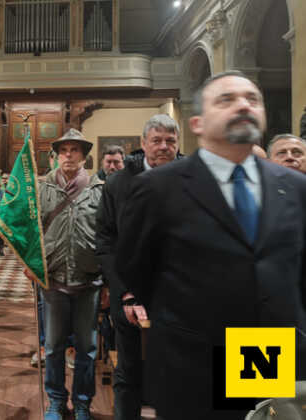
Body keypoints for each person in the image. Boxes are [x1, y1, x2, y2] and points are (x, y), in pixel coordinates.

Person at [116, 71, 306, 420]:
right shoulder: (158, 187)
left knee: (258, 417)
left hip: (263, 349)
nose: (243, 105)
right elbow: (135, 268)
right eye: (226, 100)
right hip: (192, 355)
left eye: (252, 99)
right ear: (198, 124)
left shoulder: (293, 186)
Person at [95, 114, 180, 420]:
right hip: (130, 294)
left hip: (183, 300)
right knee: (129, 372)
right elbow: (107, 241)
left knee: (180, 376)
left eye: (170, 141)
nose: (164, 147)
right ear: (143, 143)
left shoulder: (194, 179)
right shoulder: (119, 183)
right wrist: (127, 292)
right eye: (157, 140)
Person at [32, 128, 104, 420]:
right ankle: (56, 401)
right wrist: (30, 263)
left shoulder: (100, 190)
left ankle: (83, 402)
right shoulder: (43, 189)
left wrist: (108, 278)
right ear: (56, 156)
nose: (69, 155)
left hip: (89, 280)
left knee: (87, 348)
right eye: (64, 150)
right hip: (53, 279)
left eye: (75, 150)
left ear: (84, 156)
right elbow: (31, 229)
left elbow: (109, 235)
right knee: (53, 347)